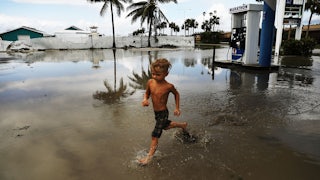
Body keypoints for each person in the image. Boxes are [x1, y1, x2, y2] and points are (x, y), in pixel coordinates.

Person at [139, 58, 188, 165]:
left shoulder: (168, 86)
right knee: (165, 126)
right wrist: (145, 99)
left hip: (163, 113)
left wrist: (177, 108)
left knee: (155, 135)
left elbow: (176, 94)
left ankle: (148, 158)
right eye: (153, 73)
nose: (155, 76)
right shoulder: (150, 82)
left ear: (166, 73)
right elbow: (147, 93)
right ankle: (182, 125)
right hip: (156, 113)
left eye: (158, 74)